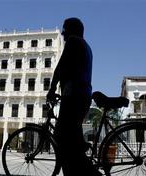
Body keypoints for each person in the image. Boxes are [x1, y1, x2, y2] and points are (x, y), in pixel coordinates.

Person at [47, 18, 101, 176]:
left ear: (72, 30)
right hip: (83, 96)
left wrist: (51, 89)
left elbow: (61, 67)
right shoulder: (87, 46)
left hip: (73, 96)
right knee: (73, 140)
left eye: (65, 29)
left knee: (61, 137)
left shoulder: (73, 41)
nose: (63, 33)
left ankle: (88, 172)